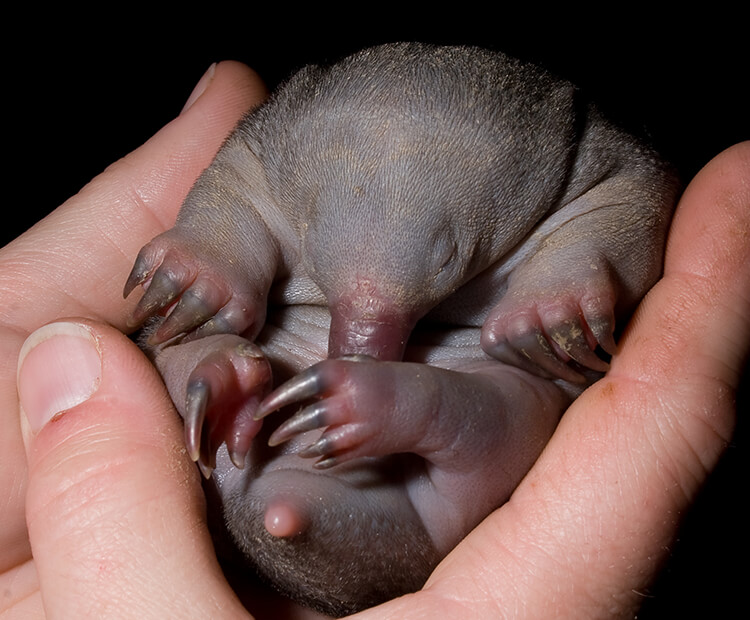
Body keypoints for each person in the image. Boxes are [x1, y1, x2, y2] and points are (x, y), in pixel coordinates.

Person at [1, 60, 747, 619]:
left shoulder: (589, 158)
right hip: (198, 479)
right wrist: (216, 247)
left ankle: (400, 406)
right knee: (175, 344)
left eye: (447, 252)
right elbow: (240, 181)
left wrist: (573, 274)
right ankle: (218, 378)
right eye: (332, 249)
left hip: (426, 504)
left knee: (521, 403)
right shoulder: (279, 142)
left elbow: (633, 196)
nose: (360, 338)